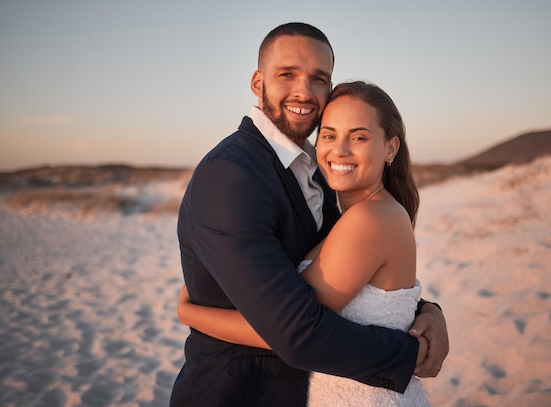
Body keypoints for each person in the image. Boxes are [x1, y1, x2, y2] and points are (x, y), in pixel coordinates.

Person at [170, 22, 448, 406]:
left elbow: (353, 276)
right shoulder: (230, 175)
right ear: (257, 82)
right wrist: (409, 352)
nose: (303, 91)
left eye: (318, 78)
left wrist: (426, 311)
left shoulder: (322, 174)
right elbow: (297, 331)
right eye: (287, 74)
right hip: (242, 394)